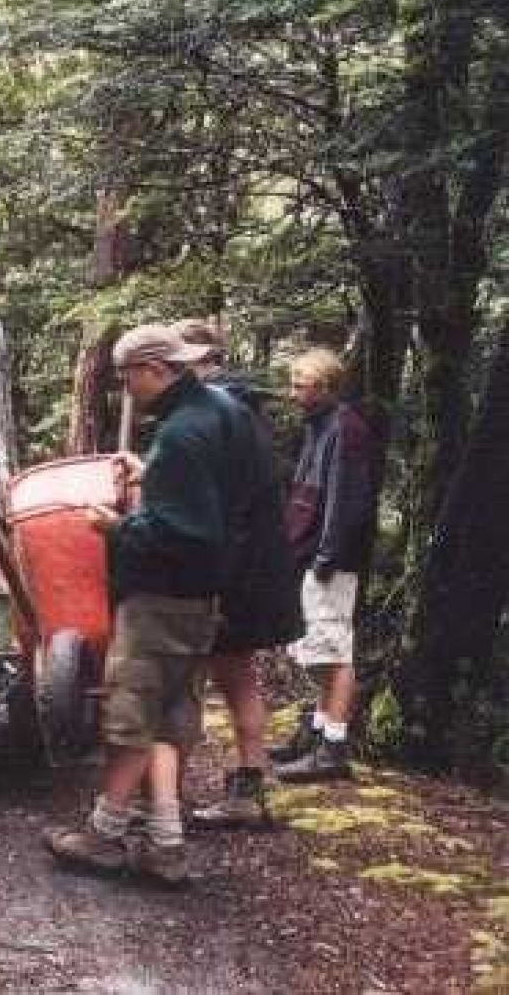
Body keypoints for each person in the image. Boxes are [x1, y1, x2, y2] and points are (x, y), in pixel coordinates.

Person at [45, 324, 245, 886]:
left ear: (154, 369)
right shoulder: (217, 411)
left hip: (161, 598)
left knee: (131, 714)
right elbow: (212, 501)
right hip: (199, 598)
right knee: (172, 718)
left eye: (126, 376)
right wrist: (151, 474)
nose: (124, 388)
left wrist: (119, 526)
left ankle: (104, 836)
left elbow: (185, 532)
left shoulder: (182, 433)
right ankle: (166, 843)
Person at [169, 319, 304, 828]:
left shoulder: (217, 413)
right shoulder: (243, 411)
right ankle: (242, 790)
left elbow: (220, 502)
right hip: (252, 566)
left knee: (193, 680)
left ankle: (166, 799)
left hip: (234, 572)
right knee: (235, 678)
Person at [273, 348, 379, 783]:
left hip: (331, 560)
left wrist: (326, 558)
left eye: (303, 386)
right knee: (318, 649)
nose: (294, 393)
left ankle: (332, 749)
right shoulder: (320, 425)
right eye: (294, 384)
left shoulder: (345, 429)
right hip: (313, 554)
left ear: (327, 388)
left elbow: (345, 502)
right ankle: (316, 734)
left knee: (333, 651)